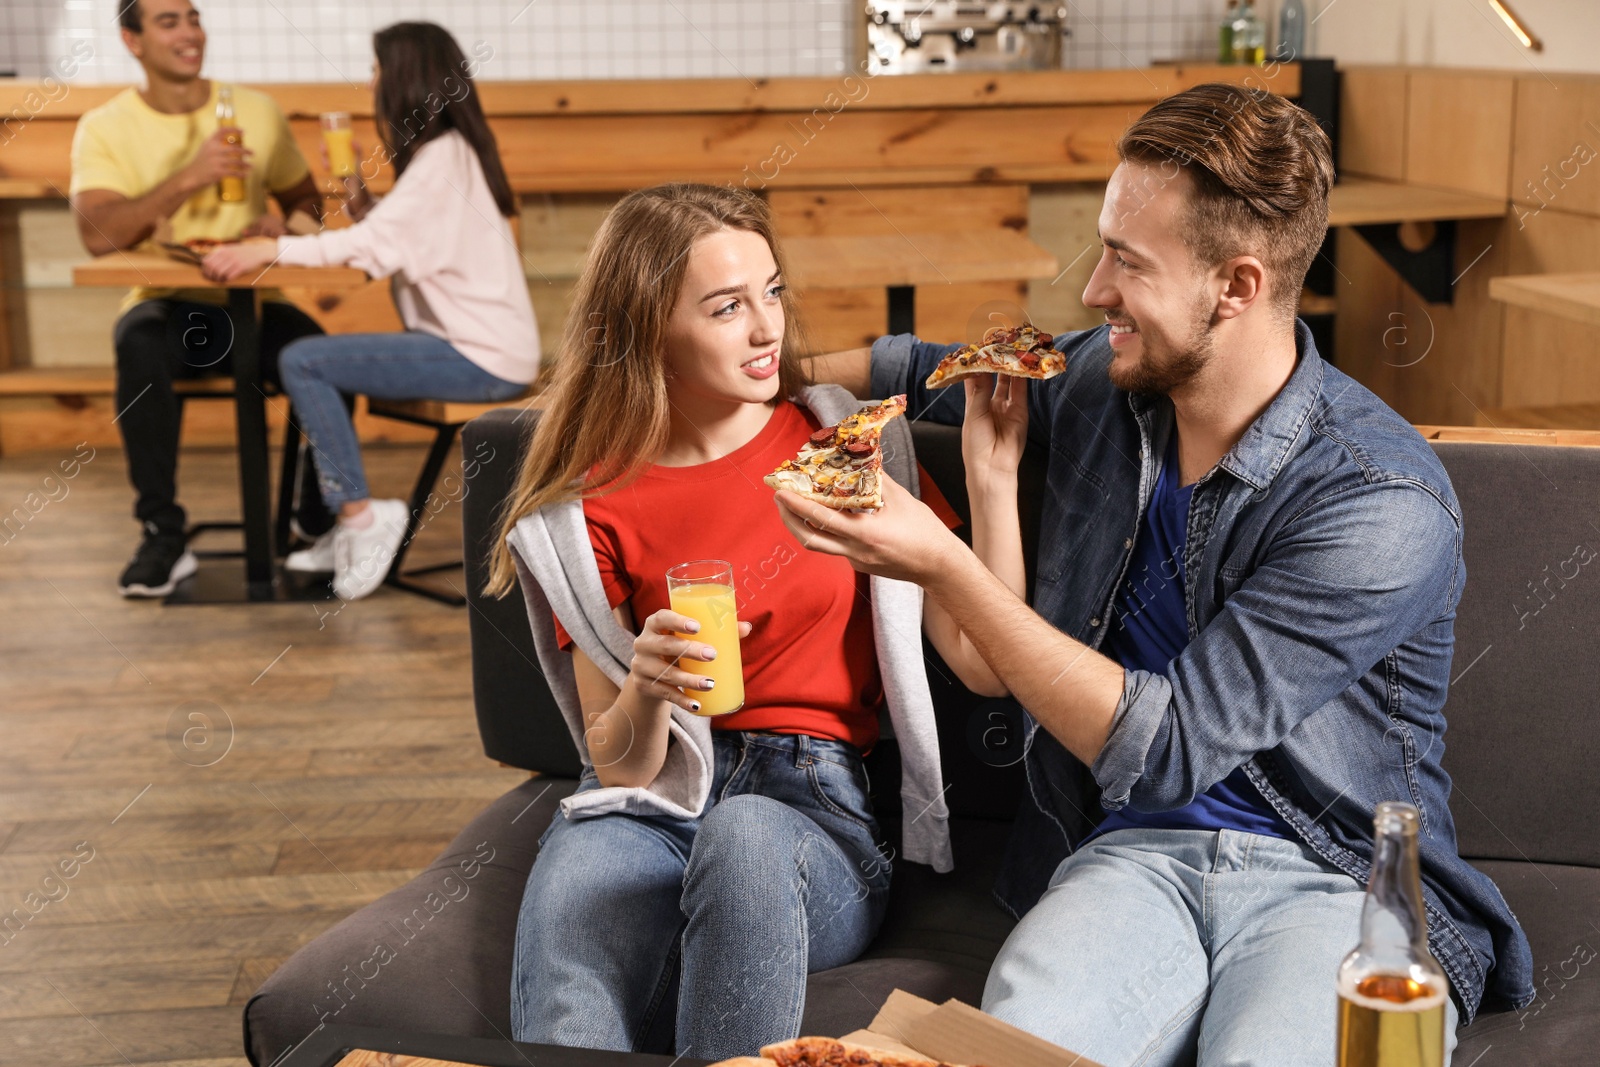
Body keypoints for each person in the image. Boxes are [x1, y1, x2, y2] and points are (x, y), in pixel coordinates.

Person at [780, 84, 1534, 1066]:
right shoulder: (1107, 381)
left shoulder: (1378, 496)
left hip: (1331, 876)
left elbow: (1167, 743)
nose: (1091, 289)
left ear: (1236, 284)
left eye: (1127, 262)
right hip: (1124, 859)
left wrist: (940, 562)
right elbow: (929, 361)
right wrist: (752, 381)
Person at [484, 184, 1007, 1059]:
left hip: (814, 809)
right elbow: (617, 761)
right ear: (649, 327)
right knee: (576, 879)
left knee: (744, 832)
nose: (768, 329)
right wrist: (646, 691)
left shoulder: (841, 450)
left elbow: (982, 661)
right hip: (655, 799)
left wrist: (991, 479)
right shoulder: (592, 508)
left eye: (772, 292)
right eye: (728, 307)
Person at [204, 22, 538, 601]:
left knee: (306, 360)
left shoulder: (441, 162)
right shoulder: (447, 156)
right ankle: (348, 517)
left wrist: (267, 249)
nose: (370, 82)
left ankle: (360, 516)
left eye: (378, 70)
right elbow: (396, 236)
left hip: (478, 358)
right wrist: (357, 191)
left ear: (406, 78)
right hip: (476, 348)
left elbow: (370, 249)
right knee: (318, 362)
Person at [70, 0, 328, 597]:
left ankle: (316, 518)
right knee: (138, 346)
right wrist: (190, 175)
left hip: (254, 306)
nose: (190, 32)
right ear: (132, 41)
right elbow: (97, 232)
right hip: (165, 301)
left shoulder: (257, 111)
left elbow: (307, 204)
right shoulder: (105, 126)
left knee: (323, 353)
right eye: (169, 21)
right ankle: (163, 534)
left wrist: (280, 226)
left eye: (193, 17)